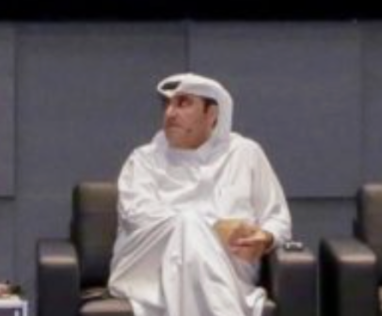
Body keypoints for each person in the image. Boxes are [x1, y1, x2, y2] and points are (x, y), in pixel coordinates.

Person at [108, 73, 293, 316]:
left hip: (231, 265)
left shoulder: (246, 154)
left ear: (212, 115)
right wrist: (206, 227)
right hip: (149, 266)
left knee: (191, 229)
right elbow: (138, 219)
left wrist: (264, 238)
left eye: (183, 103)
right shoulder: (144, 159)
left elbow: (278, 218)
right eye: (167, 104)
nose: (170, 113)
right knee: (189, 224)